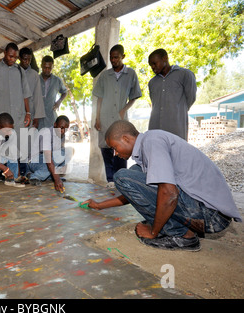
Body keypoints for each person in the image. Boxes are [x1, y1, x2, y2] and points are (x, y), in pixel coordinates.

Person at [81, 120, 241, 251]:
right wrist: (99, 206)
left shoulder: (152, 142)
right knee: (133, 173)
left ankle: (181, 236)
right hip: (206, 211)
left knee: (122, 176)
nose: (115, 153)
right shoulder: (150, 143)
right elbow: (135, 192)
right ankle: (184, 228)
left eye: (115, 148)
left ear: (126, 139)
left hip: (211, 216)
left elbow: (169, 194)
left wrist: (154, 231)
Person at [92, 44, 142, 186]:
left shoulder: (131, 74)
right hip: (105, 117)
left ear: (123, 56)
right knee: (106, 148)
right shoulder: (105, 75)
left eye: (116, 57)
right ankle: (110, 180)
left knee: (122, 149)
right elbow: (99, 98)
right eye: (111, 58)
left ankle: (121, 180)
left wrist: (123, 110)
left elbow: (134, 96)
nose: (113, 60)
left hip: (120, 119)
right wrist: (97, 117)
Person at [0, 42, 32, 177]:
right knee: (2, 146)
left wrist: (28, 113)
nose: (12, 59)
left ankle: (20, 172)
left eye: (15, 57)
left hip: (18, 116)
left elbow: (26, 94)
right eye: (10, 56)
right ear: (5, 53)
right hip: (2, 117)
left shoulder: (20, 71)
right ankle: (3, 171)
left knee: (19, 144)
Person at [148, 48, 197, 140]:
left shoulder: (185, 74)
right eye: (151, 65)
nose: (153, 67)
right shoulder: (152, 83)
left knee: (177, 153)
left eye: (154, 63)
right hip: (155, 130)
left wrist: (176, 111)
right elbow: (154, 103)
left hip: (176, 129)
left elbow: (191, 98)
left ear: (165, 58)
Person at [27, 115, 72, 193]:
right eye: (61, 127)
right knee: (52, 161)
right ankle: (33, 176)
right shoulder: (46, 132)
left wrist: (63, 165)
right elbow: (48, 158)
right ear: (55, 124)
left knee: (68, 151)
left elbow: (58, 156)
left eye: (65, 129)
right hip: (35, 161)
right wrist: (57, 179)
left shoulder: (61, 135)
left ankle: (49, 176)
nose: (63, 131)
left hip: (47, 160)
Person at [18, 47, 45, 129]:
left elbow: (38, 97)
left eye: (29, 60)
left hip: (30, 113)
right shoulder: (14, 72)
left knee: (27, 139)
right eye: (25, 59)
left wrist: (36, 118)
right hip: (15, 112)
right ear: (19, 58)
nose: (27, 62)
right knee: (15, 139)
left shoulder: (34, 75)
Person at [39, 55, 67, 129]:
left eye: (49, 68)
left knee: (51, 139)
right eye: (45, 67)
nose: (47, 70)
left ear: (52, 67)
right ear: (41, 66)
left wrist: (59, 102)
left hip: (51, 118)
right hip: (37, 119)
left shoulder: (57, 81)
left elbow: (65, 92)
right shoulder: (36, 79)